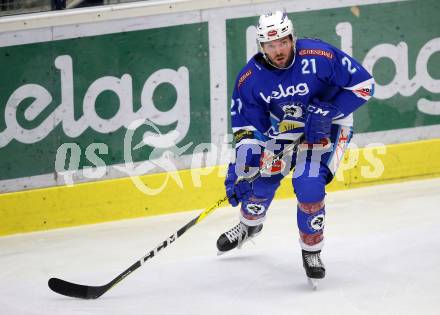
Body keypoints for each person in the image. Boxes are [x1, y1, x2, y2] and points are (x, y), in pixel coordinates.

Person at [216, 11, 374, 284]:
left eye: (283, 42)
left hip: (331, 126)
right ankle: (249, 226)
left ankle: (311, 251)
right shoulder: (249, 80)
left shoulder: (320, 56)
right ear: (261, 46)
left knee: (309, 183)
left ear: (292, 38)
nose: (278, 50)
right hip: (287, 128)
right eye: (270, 45)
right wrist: (245, 164)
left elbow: (364, 85)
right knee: (261, 178)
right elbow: (247, 126)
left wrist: (330, 111)